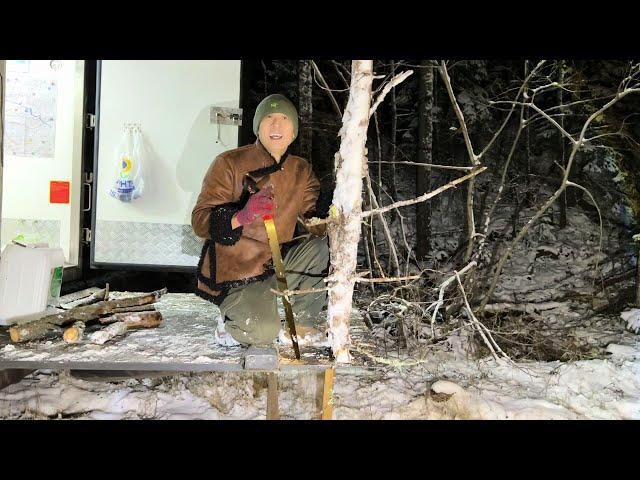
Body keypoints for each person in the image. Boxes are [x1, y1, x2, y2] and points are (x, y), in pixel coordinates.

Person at [192, 94, 330, 346]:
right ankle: (229, 323)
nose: (276, 126)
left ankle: (298, 324)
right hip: (236, 270)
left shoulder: (300, 169)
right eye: (269, 118)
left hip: (275, 261)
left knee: (319, 248)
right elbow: (199, 221)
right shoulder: (229, 163)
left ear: (294, 130)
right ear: (258, 126)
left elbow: (314, 221)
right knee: (262, 334)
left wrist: (334, 199)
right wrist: (240, 215)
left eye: (284, 119)